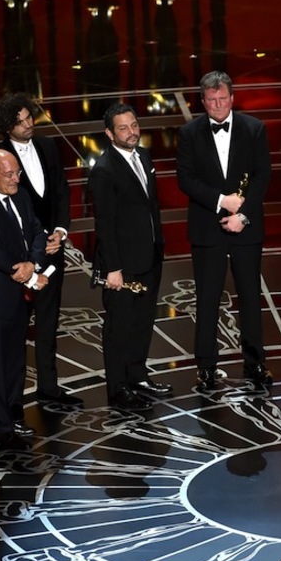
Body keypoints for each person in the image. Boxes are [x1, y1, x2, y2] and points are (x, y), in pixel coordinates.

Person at [176, 71, 272, 391]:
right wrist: (222, 201)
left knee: (249, 297)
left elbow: (262, 177)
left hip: (245, 228)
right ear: (202, 101)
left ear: (232, 98)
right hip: (207, 228)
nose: (217, 105)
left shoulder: (254, 129)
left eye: (223, 98)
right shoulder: (189, 133)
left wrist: (242, 214)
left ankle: (255, 364)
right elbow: (185, 179)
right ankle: (205, 367)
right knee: (207, 299)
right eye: (211, 100)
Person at [0, 92, 81, 407]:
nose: (29, 125)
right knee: (15, 331)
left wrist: (60, 231)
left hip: (53, 253)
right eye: (20, 122)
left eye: (30, 118)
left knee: (48, 324)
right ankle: (10, 402)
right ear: (6, 127)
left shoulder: (47, 146)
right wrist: (39, 243)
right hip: (21, 262)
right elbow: (0, 215)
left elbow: (60, 190)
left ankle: (49, 387)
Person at [0, 149, 55, 452]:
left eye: (17, 172)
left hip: (17, 296)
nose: (16, 179)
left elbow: (36, 231)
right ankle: (0, 426)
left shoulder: (21, 196)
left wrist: (33, 263)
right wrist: (27, 273)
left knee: (16, 363)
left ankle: (13, 416)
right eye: (9, 174)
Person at [88, 103, 172, 409]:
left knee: (143, 321)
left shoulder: (144, 156)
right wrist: (113, 268)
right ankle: (118, 389)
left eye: (134, 125)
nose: (131, 132)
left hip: (149, 256)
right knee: (119, 328)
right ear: (109, 133)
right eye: (123, 128)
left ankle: (137, 376)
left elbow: (150, 208)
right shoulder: (104, 171)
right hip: (121, 266)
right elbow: (104, 225)